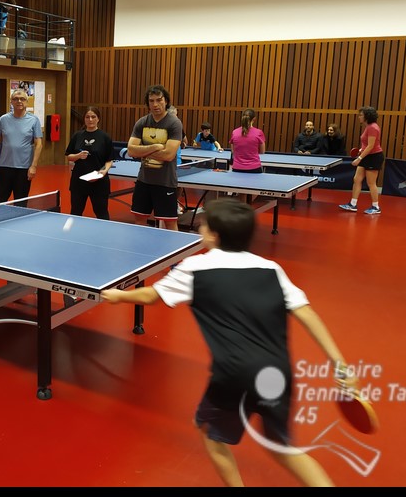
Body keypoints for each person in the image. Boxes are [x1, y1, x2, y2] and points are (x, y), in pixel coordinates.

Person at [100, 198, 357, 487]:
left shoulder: (195, 268)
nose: (200, 228)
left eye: (203, 225)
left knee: (211, 433)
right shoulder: (271, 269)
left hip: (235, 374)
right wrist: (340, 365)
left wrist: (117, 296)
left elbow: (151, 296)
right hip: (277, 372)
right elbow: (306, 313)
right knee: (281, 448)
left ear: (214, 235)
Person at [127, 85, 183, 231]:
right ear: (148, 103)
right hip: (143, 181)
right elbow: (131, 150)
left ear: (166, 101)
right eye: (151, 101)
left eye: (159, 100)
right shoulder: (142, 122)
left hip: (165, 182)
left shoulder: (174, 123)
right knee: (139, 219)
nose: (155, 104)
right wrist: (155, 147)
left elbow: (168, 155)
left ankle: (174, 246)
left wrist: (142, 151)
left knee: (170, 223)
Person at [0, 88, 43, 203]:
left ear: (26, 102)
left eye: (22, 99)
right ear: (11, 102)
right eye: (16, 99)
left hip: (23, 169)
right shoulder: (3, 119)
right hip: (4, 167)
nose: (19, 101)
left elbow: (38, 144)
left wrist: (33, 166)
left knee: (21, 203)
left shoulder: (34, 120)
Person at [65, 106, 114, 219]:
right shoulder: (77, 136)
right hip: (79, 181)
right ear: (84, 119)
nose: (90, 119)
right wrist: (78, 156)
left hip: (99, 182)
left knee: (101, 213)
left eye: (93, 117)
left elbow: (109, 160)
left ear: (98, 119)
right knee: (76, 212)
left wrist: (103, 172)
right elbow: (69, 157)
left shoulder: (105, 137)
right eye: (87, 117)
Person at [339, 106, 384, 215]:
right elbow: (367, 144)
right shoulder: (368, 126)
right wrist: (361, 150)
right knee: (357, 179)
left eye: (361, 115)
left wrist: (359, 158)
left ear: (367, 116)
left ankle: (376, 206)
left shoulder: (373, 127)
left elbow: (371, 146)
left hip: (374, 157)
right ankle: (353, 204)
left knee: (371, 183)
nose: (359, 117)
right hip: (366, 155)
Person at [228, 108, 265, 173]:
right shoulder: (259, 132)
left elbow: (233, 151)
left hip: (237, 168)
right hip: (254, 168)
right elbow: (262, 151)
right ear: (254, 119)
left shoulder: (234, 132)